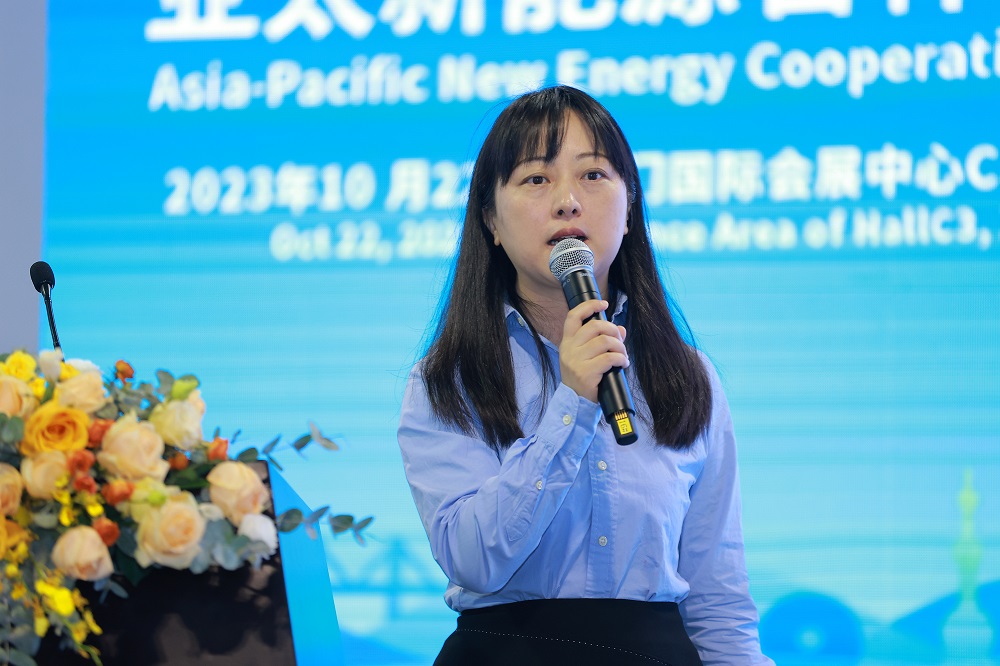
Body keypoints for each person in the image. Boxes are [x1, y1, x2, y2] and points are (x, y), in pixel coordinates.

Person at [398, 85, 773, 665]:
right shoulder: (448, 380)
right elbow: (472, 560)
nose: (568, 202)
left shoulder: (688, 379)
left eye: (593, 175)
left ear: (630, 208)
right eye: (536, 178)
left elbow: (718, 602)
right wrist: (571, 404)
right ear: (490, 219)